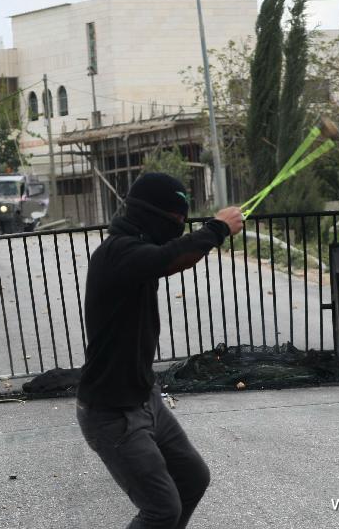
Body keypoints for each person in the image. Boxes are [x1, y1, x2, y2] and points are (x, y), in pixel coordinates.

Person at [76, 172, 244, 529]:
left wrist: (212, 233)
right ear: (150, 215)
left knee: (192, 479)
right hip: (111, 412)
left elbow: (174, 257)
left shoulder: (138, 247)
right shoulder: (117, 253)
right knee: (161, 509)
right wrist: (215, 229)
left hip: (144, 398)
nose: (179, 229)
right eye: (175, 222)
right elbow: (169, 257)